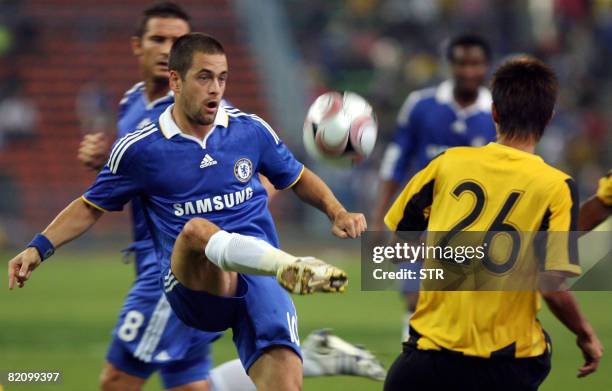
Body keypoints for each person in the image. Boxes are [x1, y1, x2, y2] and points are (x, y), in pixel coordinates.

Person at [8, 33, 367, 391]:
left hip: (258, 277)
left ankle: (297, 315)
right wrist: (38, 247)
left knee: (282, 386)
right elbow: (90, 206)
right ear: (176, 80)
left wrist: (337, 212)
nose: (216, 88)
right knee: (197, 230)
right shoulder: (141, 149)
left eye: (222, 78)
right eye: (204, 77)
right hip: (192, 284)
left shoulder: (251, 130)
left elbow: (297, 177)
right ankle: (287, 265)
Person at [382, 57, 602, 390]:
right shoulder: (557, 186)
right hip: (505, 366)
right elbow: (552, 285)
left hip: (427, 360)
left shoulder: (447, 163)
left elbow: (399, 240)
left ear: (494, 113)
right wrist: (585, 334)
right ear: (549, 118)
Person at [373, 34, 496, 339]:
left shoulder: (497, 113)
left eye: (475, 64)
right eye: (461, 63)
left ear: (486, 67)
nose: (468, 71)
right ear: (450, 66)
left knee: (469, 308)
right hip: (421, 219)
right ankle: (411, 354)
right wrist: (379, 219)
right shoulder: (420, 106)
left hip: (475, 226)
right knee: (414, 297)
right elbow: (396, 160)